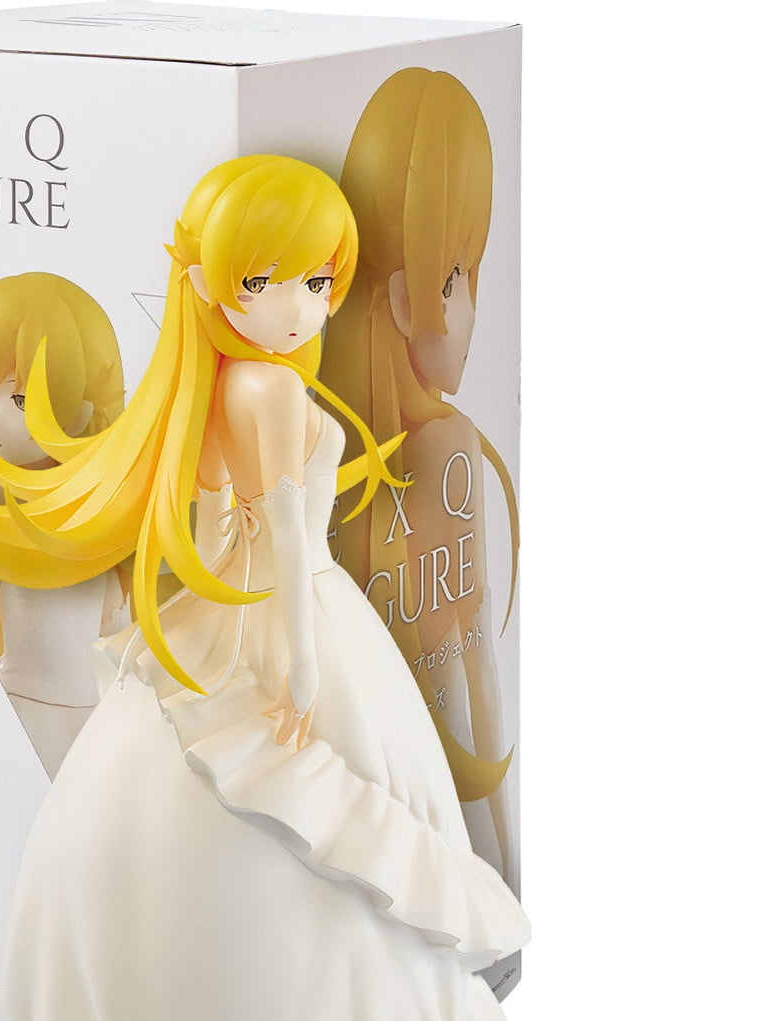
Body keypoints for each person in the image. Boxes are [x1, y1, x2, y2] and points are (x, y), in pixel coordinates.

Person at [0, 155, 529, 1021]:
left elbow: (218, 531)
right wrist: (297, 656)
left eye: (317, 281)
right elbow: (290, 541)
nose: (297, 306)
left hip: (208, 627)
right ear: (207, 281)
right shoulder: (268, 389)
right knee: (332, 834)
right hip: (286, 622)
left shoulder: (199, 383)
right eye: (265, 281)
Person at [321, 68, 519, 885]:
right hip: (449, 793)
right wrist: (505, 861)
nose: (472, 308)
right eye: (456, 276)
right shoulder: (446, 444)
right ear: (404, 299)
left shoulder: (324, 442)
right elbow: (473, 666)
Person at [0, 273, 130, 776]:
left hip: (92, 720)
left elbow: (117, 625)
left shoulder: (106, 512)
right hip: (18, 711)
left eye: (22, 399)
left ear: (87, 405)